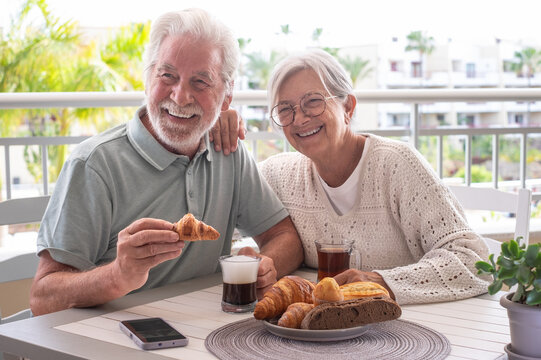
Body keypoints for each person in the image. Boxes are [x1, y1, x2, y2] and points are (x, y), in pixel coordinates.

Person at [29, 8, 303, 316]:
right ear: (147, 80)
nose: (181, 96)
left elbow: (284, 236)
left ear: (226, 96)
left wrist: (267, 265)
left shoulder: (229, 151)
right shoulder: (94, 164)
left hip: (201, 332)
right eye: (167, 76)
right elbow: (43, 297)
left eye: (200, 82)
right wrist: (119, 274)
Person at [211, 49, 490, 305]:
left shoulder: (396, 165)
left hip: (410, 327)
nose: (299, 119)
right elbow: (213, 221)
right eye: (286, 109)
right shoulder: (278, 175)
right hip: (320, 332)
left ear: (348, 107)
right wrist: (213, 121)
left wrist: (380, 283)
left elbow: (473, 259)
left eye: (313, 102)